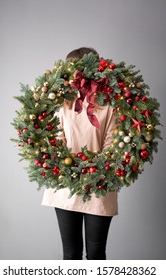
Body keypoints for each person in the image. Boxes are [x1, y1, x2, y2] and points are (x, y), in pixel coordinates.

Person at [42, 47, 118, 260]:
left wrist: (96, 169)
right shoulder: (61, 104)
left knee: (95, 253)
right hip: (66, 183)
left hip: (101, 182)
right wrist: (72, 169)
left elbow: (113, 143)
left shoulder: (108, 105)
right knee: (71, 253)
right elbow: (55, 140)